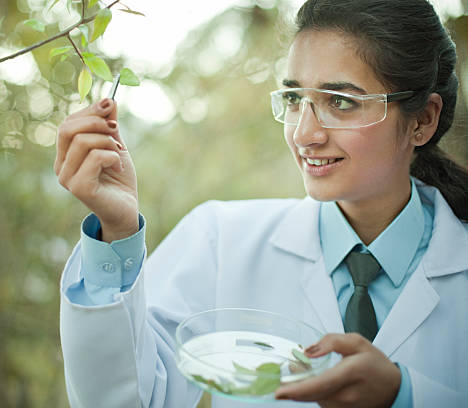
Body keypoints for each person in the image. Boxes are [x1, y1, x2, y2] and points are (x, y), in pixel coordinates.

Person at [55, 0, 468, 406]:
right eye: (293, 99)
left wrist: (404, 397)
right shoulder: (219, 241)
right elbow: (127, 400)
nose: (305, 134)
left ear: (423, 119)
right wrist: (117, 233)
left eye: (340, 102)